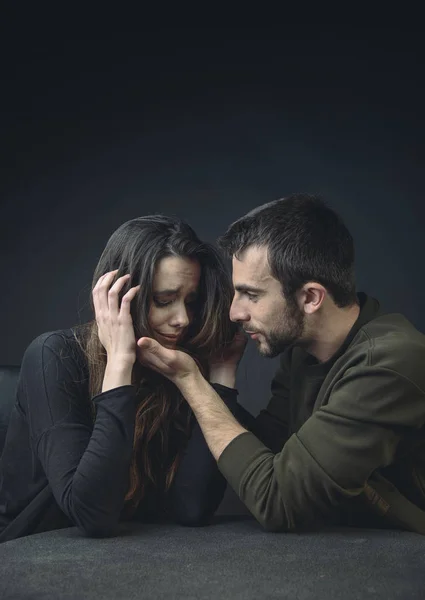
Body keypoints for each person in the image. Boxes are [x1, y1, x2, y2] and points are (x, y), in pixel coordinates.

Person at [137, 194, 425, 534]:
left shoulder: (389, 363)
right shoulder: (304, 351)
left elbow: (278, 502)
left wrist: (191, 382)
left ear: (310, 298)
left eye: (252, 295)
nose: (234, 313)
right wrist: (221, 376)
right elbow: (268, 449)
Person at [0, 215, 240, 543]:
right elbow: (91, 514)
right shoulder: (53, 356)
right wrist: (120, 363)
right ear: (117, 296)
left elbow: (192, 507)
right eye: (164, 301)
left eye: (191, 301)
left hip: (129, 561)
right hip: (35, 553)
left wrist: (221, 374)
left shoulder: (174, 364)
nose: (182, 319)